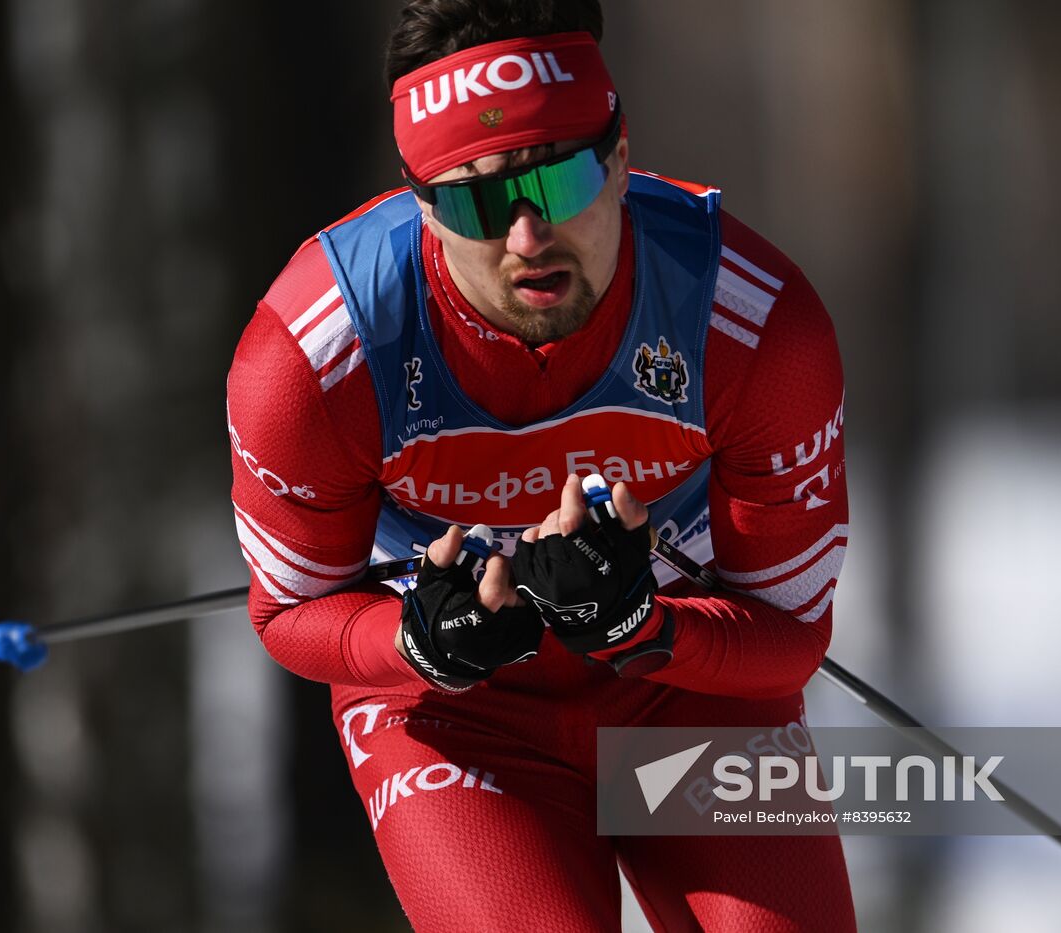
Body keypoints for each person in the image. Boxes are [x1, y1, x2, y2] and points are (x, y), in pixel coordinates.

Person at [226, 1, 855, 928]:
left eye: (556, 179)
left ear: (620, 156)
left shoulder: (751, 323)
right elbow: (289, 612)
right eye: (479, 199)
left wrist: (643, 627)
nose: (526, 236)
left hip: (683, 698)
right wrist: (412, 641)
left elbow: (791, 633)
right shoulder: (316, 356)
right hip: (457, 723)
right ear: (420, 204)